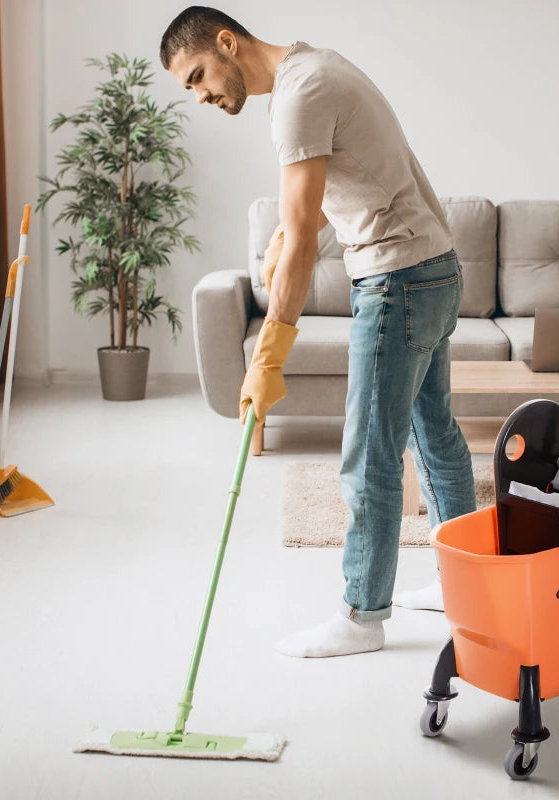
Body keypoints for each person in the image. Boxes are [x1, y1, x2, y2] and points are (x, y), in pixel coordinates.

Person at [161, 7, 476, 657]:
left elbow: (306, 236)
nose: (200, 95)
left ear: (228, 42)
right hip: (436, 269)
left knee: (370, 453)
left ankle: (361, 617)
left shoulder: (298, 97)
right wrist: (281, 239)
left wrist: (269, 351)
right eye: (188, 89)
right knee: (434, 432)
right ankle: (463, 583)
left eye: (198, 76)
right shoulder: (318, 66)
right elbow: (347, 186)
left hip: (397, 281)